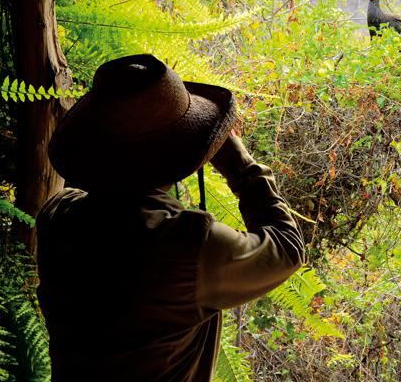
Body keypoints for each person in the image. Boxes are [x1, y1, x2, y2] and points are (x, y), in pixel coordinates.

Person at [36, 54, 305, 381]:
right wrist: (240, 163)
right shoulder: (188, 246)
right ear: (188, 149)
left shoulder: (57, 217)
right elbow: (287, 248)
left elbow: (90, 191)